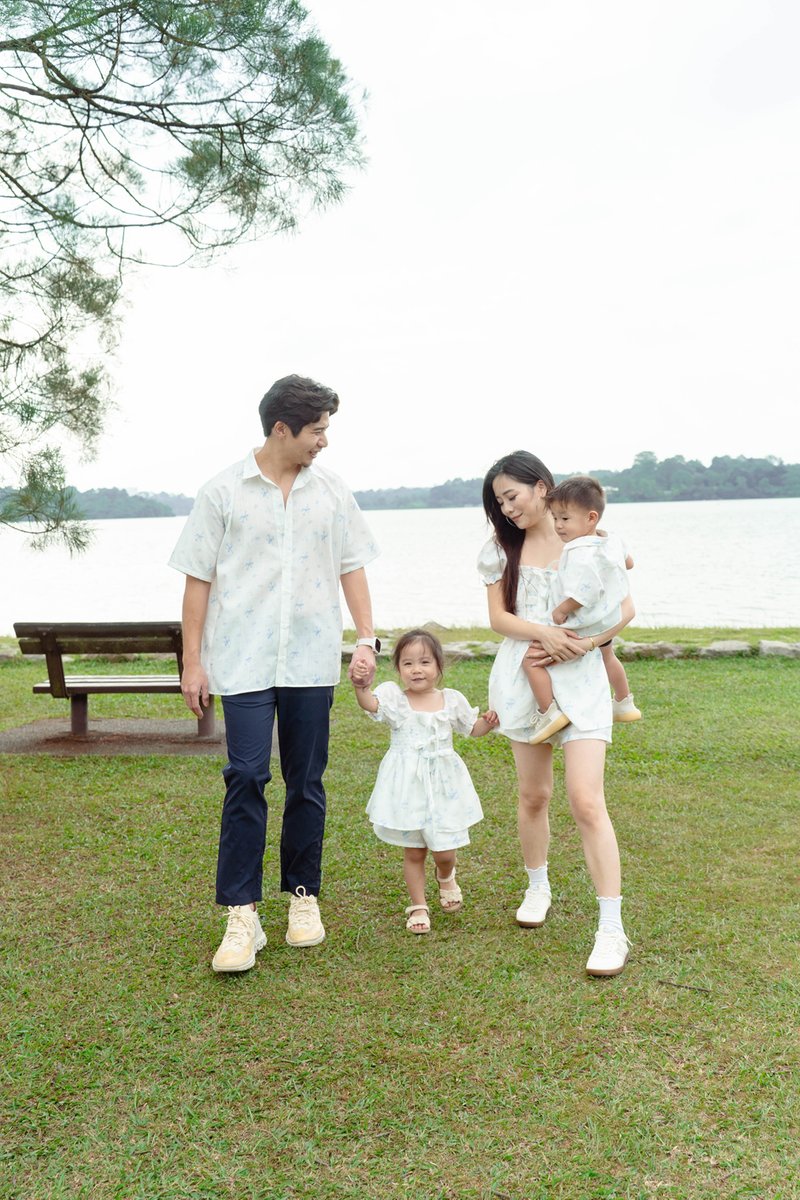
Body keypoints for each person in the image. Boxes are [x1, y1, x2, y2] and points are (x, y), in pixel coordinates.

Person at [169, 374, 380, 973]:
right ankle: (242, 915)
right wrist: (193, 660)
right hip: (242, 659)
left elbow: (353, 567)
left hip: (311, 660)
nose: (324, 441)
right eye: (317, 430)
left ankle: (302, 897)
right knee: (245, 775)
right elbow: (197, 580)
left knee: (306, 780)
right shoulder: (222, 492)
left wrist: (366, 639)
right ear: (282, 429)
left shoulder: (332, 491)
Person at [478, 451, 635, 977]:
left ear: (542, 487)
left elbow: (626, 609)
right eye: (499, 502)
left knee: (587, 801)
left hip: (583, 678)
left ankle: (611, 928)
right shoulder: (501, 548)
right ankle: (537, 885)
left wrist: (586, 644)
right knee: (534, 794)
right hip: (526, 677)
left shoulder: (591, 541)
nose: (507, 508)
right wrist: (547, 634)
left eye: (512, 496)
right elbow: (498, 618)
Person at [351, 629, 498, 934]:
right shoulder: (396, 700)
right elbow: (370, 704)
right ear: (398, 669)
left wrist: (487, 722)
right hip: (409, 788)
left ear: (438, 666)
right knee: (415, 850)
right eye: (408, 663)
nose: (416, 670)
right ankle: (418, 905)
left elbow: (472, 729)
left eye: (424, 662)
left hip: (444, 785)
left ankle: (446, 875)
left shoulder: (451, 700)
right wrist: (360, 686)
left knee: (445, 851)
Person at [522, 475, 641, 743]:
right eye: (555, 518)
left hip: (583, 623)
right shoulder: (611, 539)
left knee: (531, 660)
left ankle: (549, 712)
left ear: (590, 518)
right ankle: (624, 701)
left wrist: (562, 609)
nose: (558, 525)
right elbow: (630, 563)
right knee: (608, 656)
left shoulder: (578, 551)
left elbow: (585, 592)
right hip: (608, 618)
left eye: (565, 518)